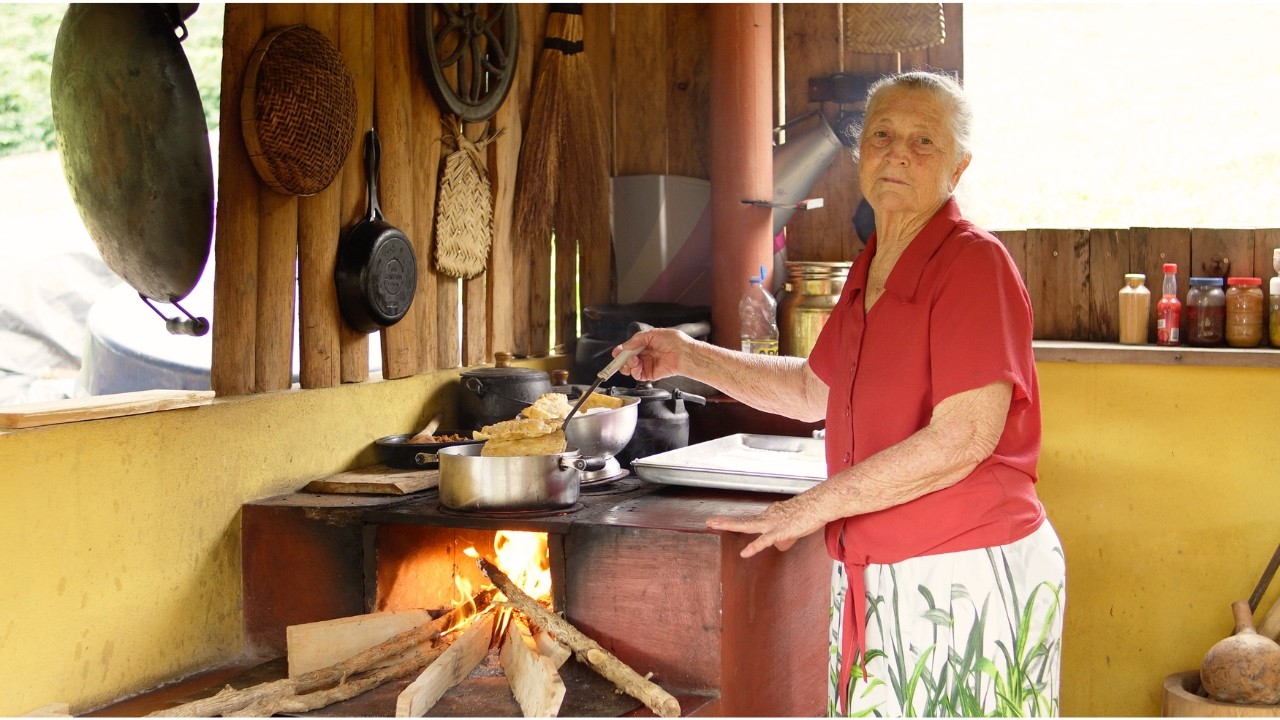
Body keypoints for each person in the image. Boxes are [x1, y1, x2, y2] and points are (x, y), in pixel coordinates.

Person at [615, 70, 1065, 717]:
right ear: (860, 154)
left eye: (923, 141)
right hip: (880, 572)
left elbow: (964, 438)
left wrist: (808, 508)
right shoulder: (872, 265)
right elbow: (809, 391)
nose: (898, 153)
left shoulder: (974, 265)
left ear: (959, 167)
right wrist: (687, 356)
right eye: (882, 134)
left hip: (964, 574)